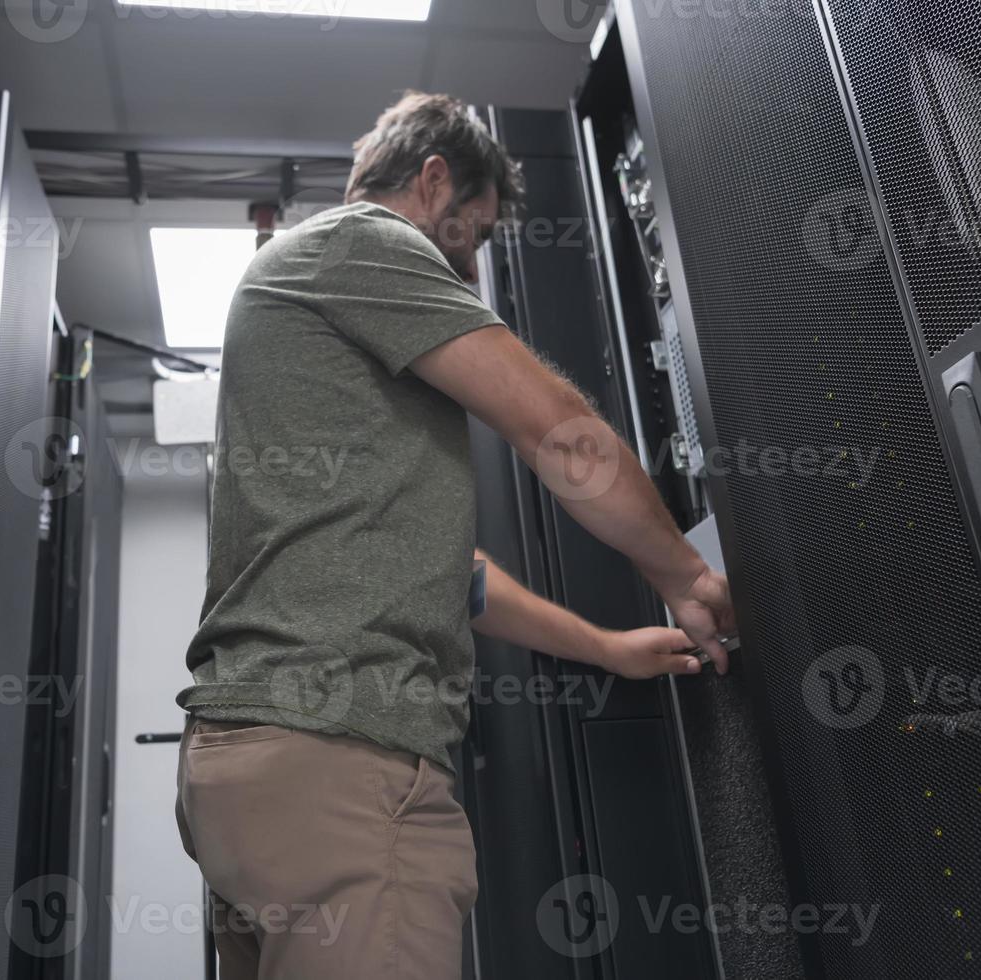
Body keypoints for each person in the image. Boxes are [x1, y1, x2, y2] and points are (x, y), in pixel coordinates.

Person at [174, 91, 735, 979]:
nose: (469, 271)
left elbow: (458, 577)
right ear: (432, 182)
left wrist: (606, 647)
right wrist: (688, 576)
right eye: (470, 236)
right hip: (343, 766)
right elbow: (557, 429)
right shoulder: (366, 242)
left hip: (252, 774)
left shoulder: (306, 295)